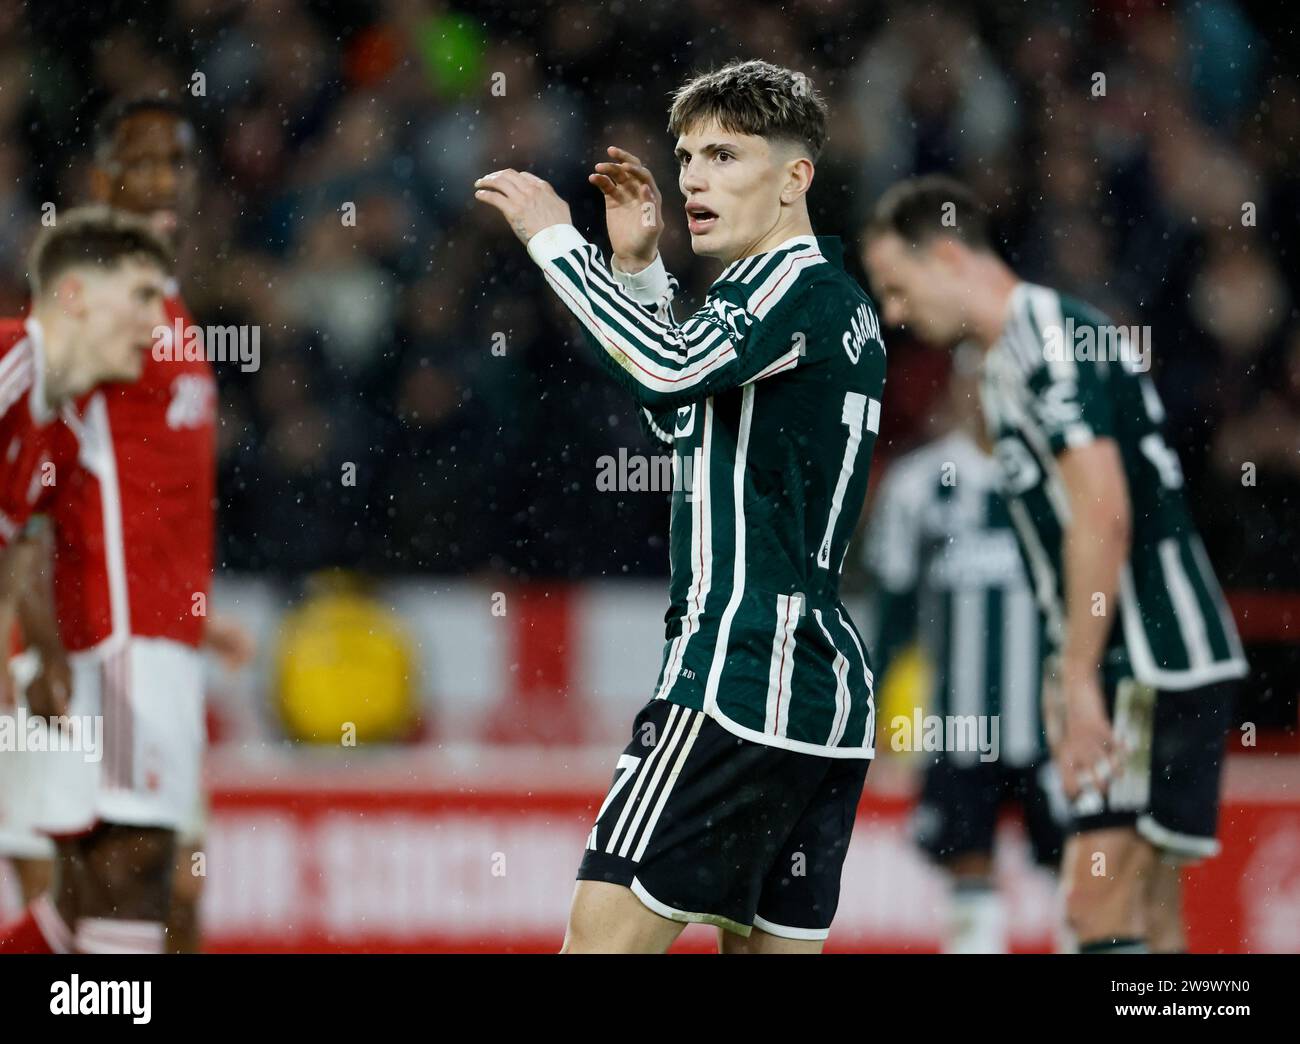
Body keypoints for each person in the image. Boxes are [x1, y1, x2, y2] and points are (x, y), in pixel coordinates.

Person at [475, 59, 886, 953]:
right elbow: (689, 428)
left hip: (733, 675)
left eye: (726, 156)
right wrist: (639, 273)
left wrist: (557, 242)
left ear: (794, 179)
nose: (694, 178)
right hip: (822, 698)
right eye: (688, 155)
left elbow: (666, 371)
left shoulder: (789, 287)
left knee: (599, 942)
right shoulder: (837, 306)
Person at [862, 175, 1248, 953]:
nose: (896, 314)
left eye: (896, 289)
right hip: (1166, 652)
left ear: (946, 254)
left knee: (1094, 911)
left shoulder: (1044, 341)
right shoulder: (1020, 353)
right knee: (1145, 913)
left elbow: (1102, 511)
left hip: (1142, 662)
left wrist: (1074, 678)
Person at [0, 96, 252, 956]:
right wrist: (29, 628)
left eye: (176, 162)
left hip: (156, 635)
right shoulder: (82, 316)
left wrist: (194, 611)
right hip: (96, 646)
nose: (160, 180)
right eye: (139, 162)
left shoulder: (164, 310)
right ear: (100, 178)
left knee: (142, 894)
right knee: (111, 878)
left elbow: (96, 485)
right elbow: (37, 491)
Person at [0, 206, 170, 953]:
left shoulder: (58, 430)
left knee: (79, 889)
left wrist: (36, 653)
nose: (155, 322)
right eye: (139, 297)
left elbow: (19, 547)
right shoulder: (9, 366)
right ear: (72, 296)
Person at [862, 345, 1064, 952]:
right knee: (967, 867)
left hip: (1053, 723)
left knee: (1081, 871)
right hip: (959, 722)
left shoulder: (1063, 482)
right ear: (954, 390)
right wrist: (867, 709)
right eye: (975, 382)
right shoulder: (918, 484)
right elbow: (892, 614)